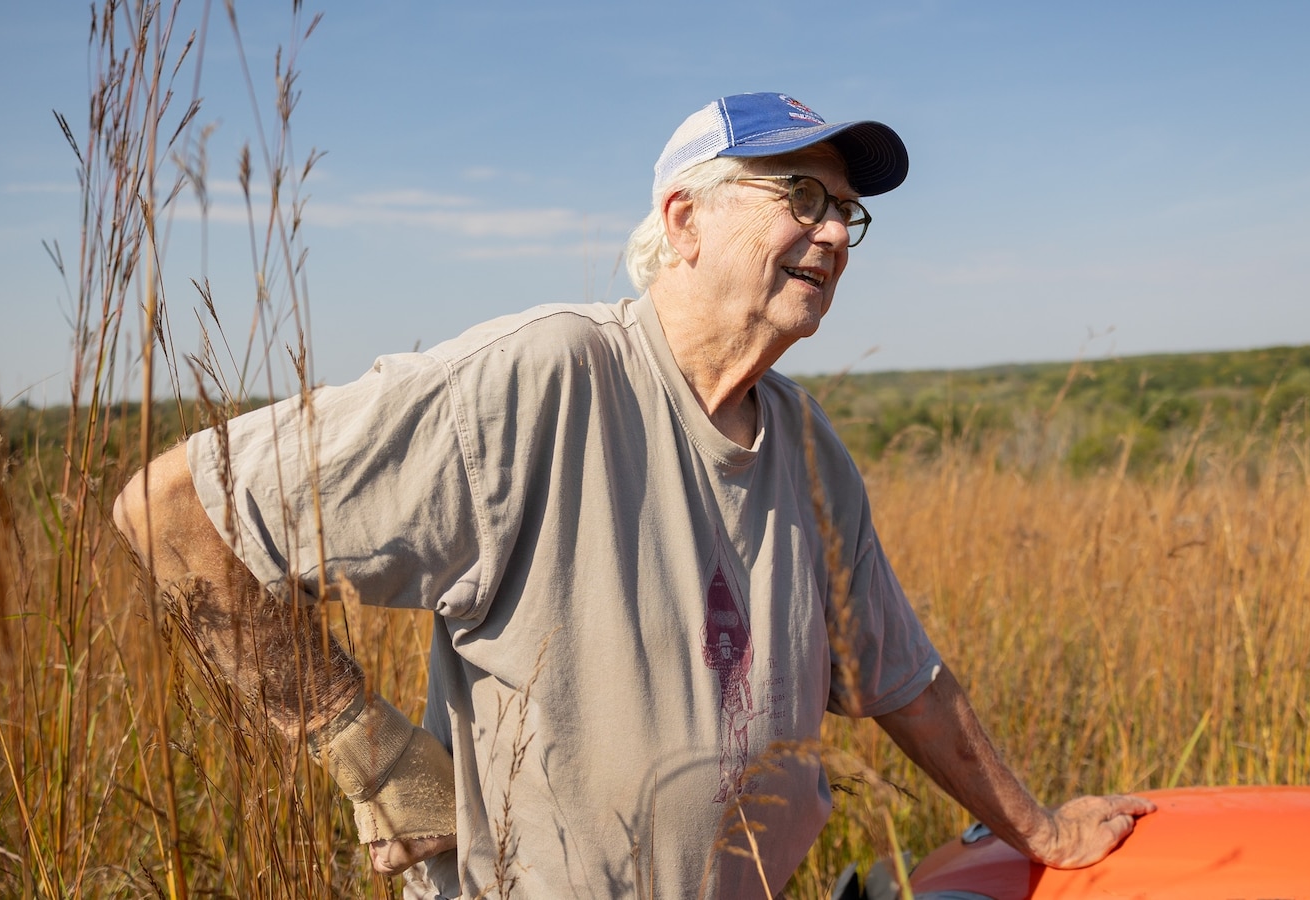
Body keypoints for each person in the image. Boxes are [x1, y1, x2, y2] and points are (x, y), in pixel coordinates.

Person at [114, 91, 1155, 899]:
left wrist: (1045, 831)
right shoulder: (548, 377)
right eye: (801, 197)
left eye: (847, 211)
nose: (835, 234)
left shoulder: (807, 447)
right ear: (683, 218)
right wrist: (367, 751)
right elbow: (167, 512)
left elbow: (901, 681)